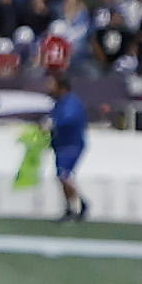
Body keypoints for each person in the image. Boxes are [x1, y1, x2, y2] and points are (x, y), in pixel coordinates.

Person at [46, 81, 91, 222]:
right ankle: (71, 206)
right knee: (62, 176)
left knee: (64, 175)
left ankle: (78, 205)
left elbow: (68, 119)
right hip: (62, 144)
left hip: (71, 144)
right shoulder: (60, 103)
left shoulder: (71, 102)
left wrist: (52, 124)